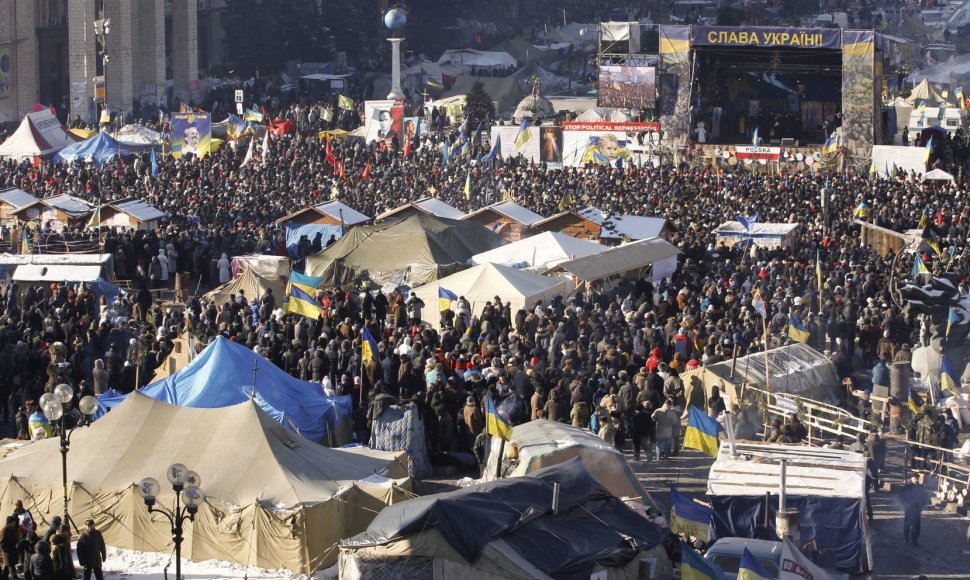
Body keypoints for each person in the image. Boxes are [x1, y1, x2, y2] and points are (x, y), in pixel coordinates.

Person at [899, 476, 928, 545]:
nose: (916, 480)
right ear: (911, 479)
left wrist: (922, 505)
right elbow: (901, 497)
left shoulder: (921, 487)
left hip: (917, 509)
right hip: (909, 509)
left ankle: (914, 540)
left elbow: (925, 497)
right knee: (907, 524)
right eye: (914, 478)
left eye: (917, 478)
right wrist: (906, 505)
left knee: (916, 526)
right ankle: (906, 538)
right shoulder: (907, 487)